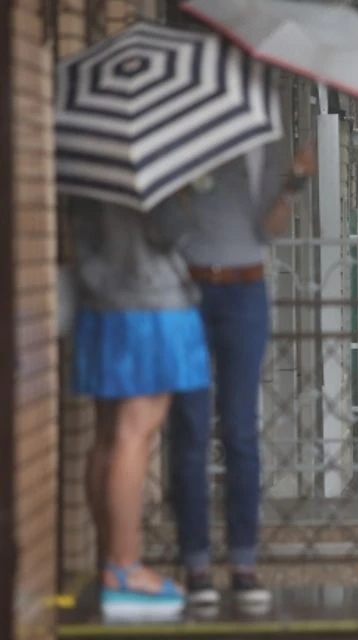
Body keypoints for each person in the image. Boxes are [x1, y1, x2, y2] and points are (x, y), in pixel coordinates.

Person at [157, 141, 316, 608]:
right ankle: (196, 565)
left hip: (246, 293)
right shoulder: (183, 138)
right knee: (189, 427)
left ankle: (244, 564)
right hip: (188, 289)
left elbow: (268, 230)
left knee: (241, 429)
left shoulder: (260, 145)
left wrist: (296, 183)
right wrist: (184, 186)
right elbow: (164, 228)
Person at [71, 198, 210, 618]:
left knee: (107, 434)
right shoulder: (152, 170)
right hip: (150, 303)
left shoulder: (90, 167)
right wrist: (189, 195)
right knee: (136, 432)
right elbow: (168, 230)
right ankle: (125, 569)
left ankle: (109, 559)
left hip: (99, 304)